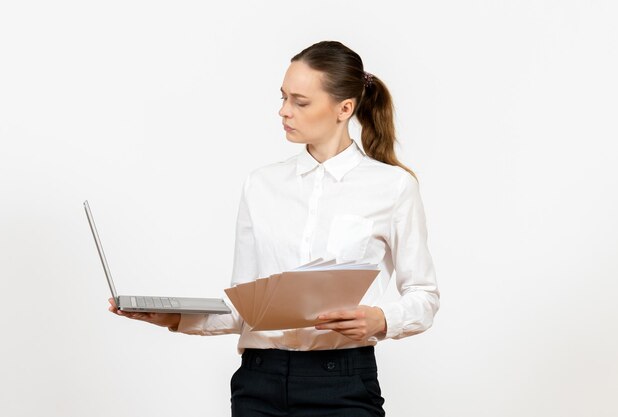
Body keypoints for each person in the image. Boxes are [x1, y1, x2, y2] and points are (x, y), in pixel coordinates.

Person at [108, 40, 440, 417]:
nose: (283, 111)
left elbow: (424, 295)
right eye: (283, 97)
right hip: (258, 383)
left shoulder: (393, 187)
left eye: (300, 102)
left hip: (342, 383)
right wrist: (175, 317)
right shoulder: (261, 184)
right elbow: (248, 308)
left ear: (344, 108)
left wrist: (382, 319)